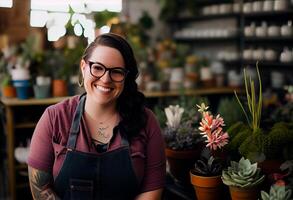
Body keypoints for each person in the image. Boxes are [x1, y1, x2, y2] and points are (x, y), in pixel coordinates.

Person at [27, 33, 166, 200]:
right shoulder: (55, 118)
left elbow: (151, 190)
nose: (106, 79)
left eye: (116, 72)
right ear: (83, 67)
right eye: (98, 68)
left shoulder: (146, 121)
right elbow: (40, 189)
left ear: (126, 76)